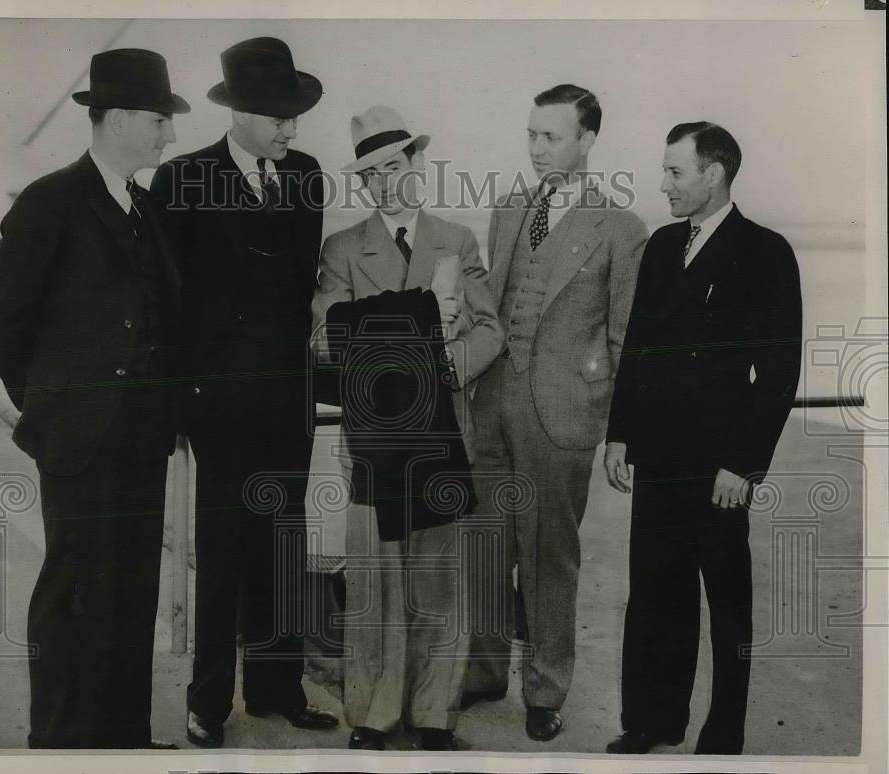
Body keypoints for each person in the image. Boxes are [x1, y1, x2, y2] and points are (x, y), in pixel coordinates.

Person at [0, 48, 189, 748]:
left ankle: (124, 739)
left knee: (132, 589)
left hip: (141, 437)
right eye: (160, 121)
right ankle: (62, 745)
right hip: (79, 436)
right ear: (121, 118)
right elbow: (1, 320)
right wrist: (48, 404)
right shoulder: (50, 201)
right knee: (74, 593)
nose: (169, 136)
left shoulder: (146, 205)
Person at [149, 37, 336, 748]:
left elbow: (297, 294)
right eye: (279, 117)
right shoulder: (183, 178)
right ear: (242, 112)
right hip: (219, 403)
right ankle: (207, 704)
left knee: (282, 549)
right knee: (221, 555)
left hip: (287, 399)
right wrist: (181, 403)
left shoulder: (308, 177)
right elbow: (167, 303)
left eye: (295, 117)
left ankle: (276, 689)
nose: (292, 129)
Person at [603, 122, 802, 756]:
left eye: (675, 173)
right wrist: (619, 436)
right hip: (657, 453)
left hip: (720, 462)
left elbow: (778, 370)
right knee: (655, 590)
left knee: (727, 600)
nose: (663, 184)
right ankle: (651, 721)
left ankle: (724, 734)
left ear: (713, 174)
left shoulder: (766, 251)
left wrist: (743, 465)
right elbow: (635, 346)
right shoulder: (662, 245)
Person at [311, 106, 504, 751]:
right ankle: (370, 714)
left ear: (417, 164)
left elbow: (489, 329)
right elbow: (322, 341)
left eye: (394, 167)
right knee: (371, 578)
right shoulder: (341, 248)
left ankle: (433, 716)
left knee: (438, 578)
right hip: (370, 441)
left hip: (444, 430)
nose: (385, 184)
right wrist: (416, 323)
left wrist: (447, 366)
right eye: (371, 177)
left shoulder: (457, 239)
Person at [463, 84, 648, 741]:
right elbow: (492, 306)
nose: (538, 149)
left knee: (550, 555)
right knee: (483, 543)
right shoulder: (510, 208)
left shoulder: (622, 228)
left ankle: (544, 690)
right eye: (532, 135)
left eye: (553, 137)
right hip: (490, 401)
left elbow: (626, 338)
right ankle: (482, 674)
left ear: (588, 140)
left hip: (564, 411)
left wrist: (620, 431)